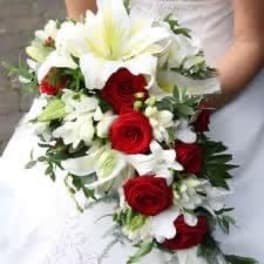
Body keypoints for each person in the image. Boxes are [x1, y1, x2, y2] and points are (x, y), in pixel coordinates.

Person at [0, 0, 263, 263]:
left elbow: (251, 42)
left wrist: (175, 111)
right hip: (110, 100)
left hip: (219, 92)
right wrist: (100, 104)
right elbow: (82, 22)